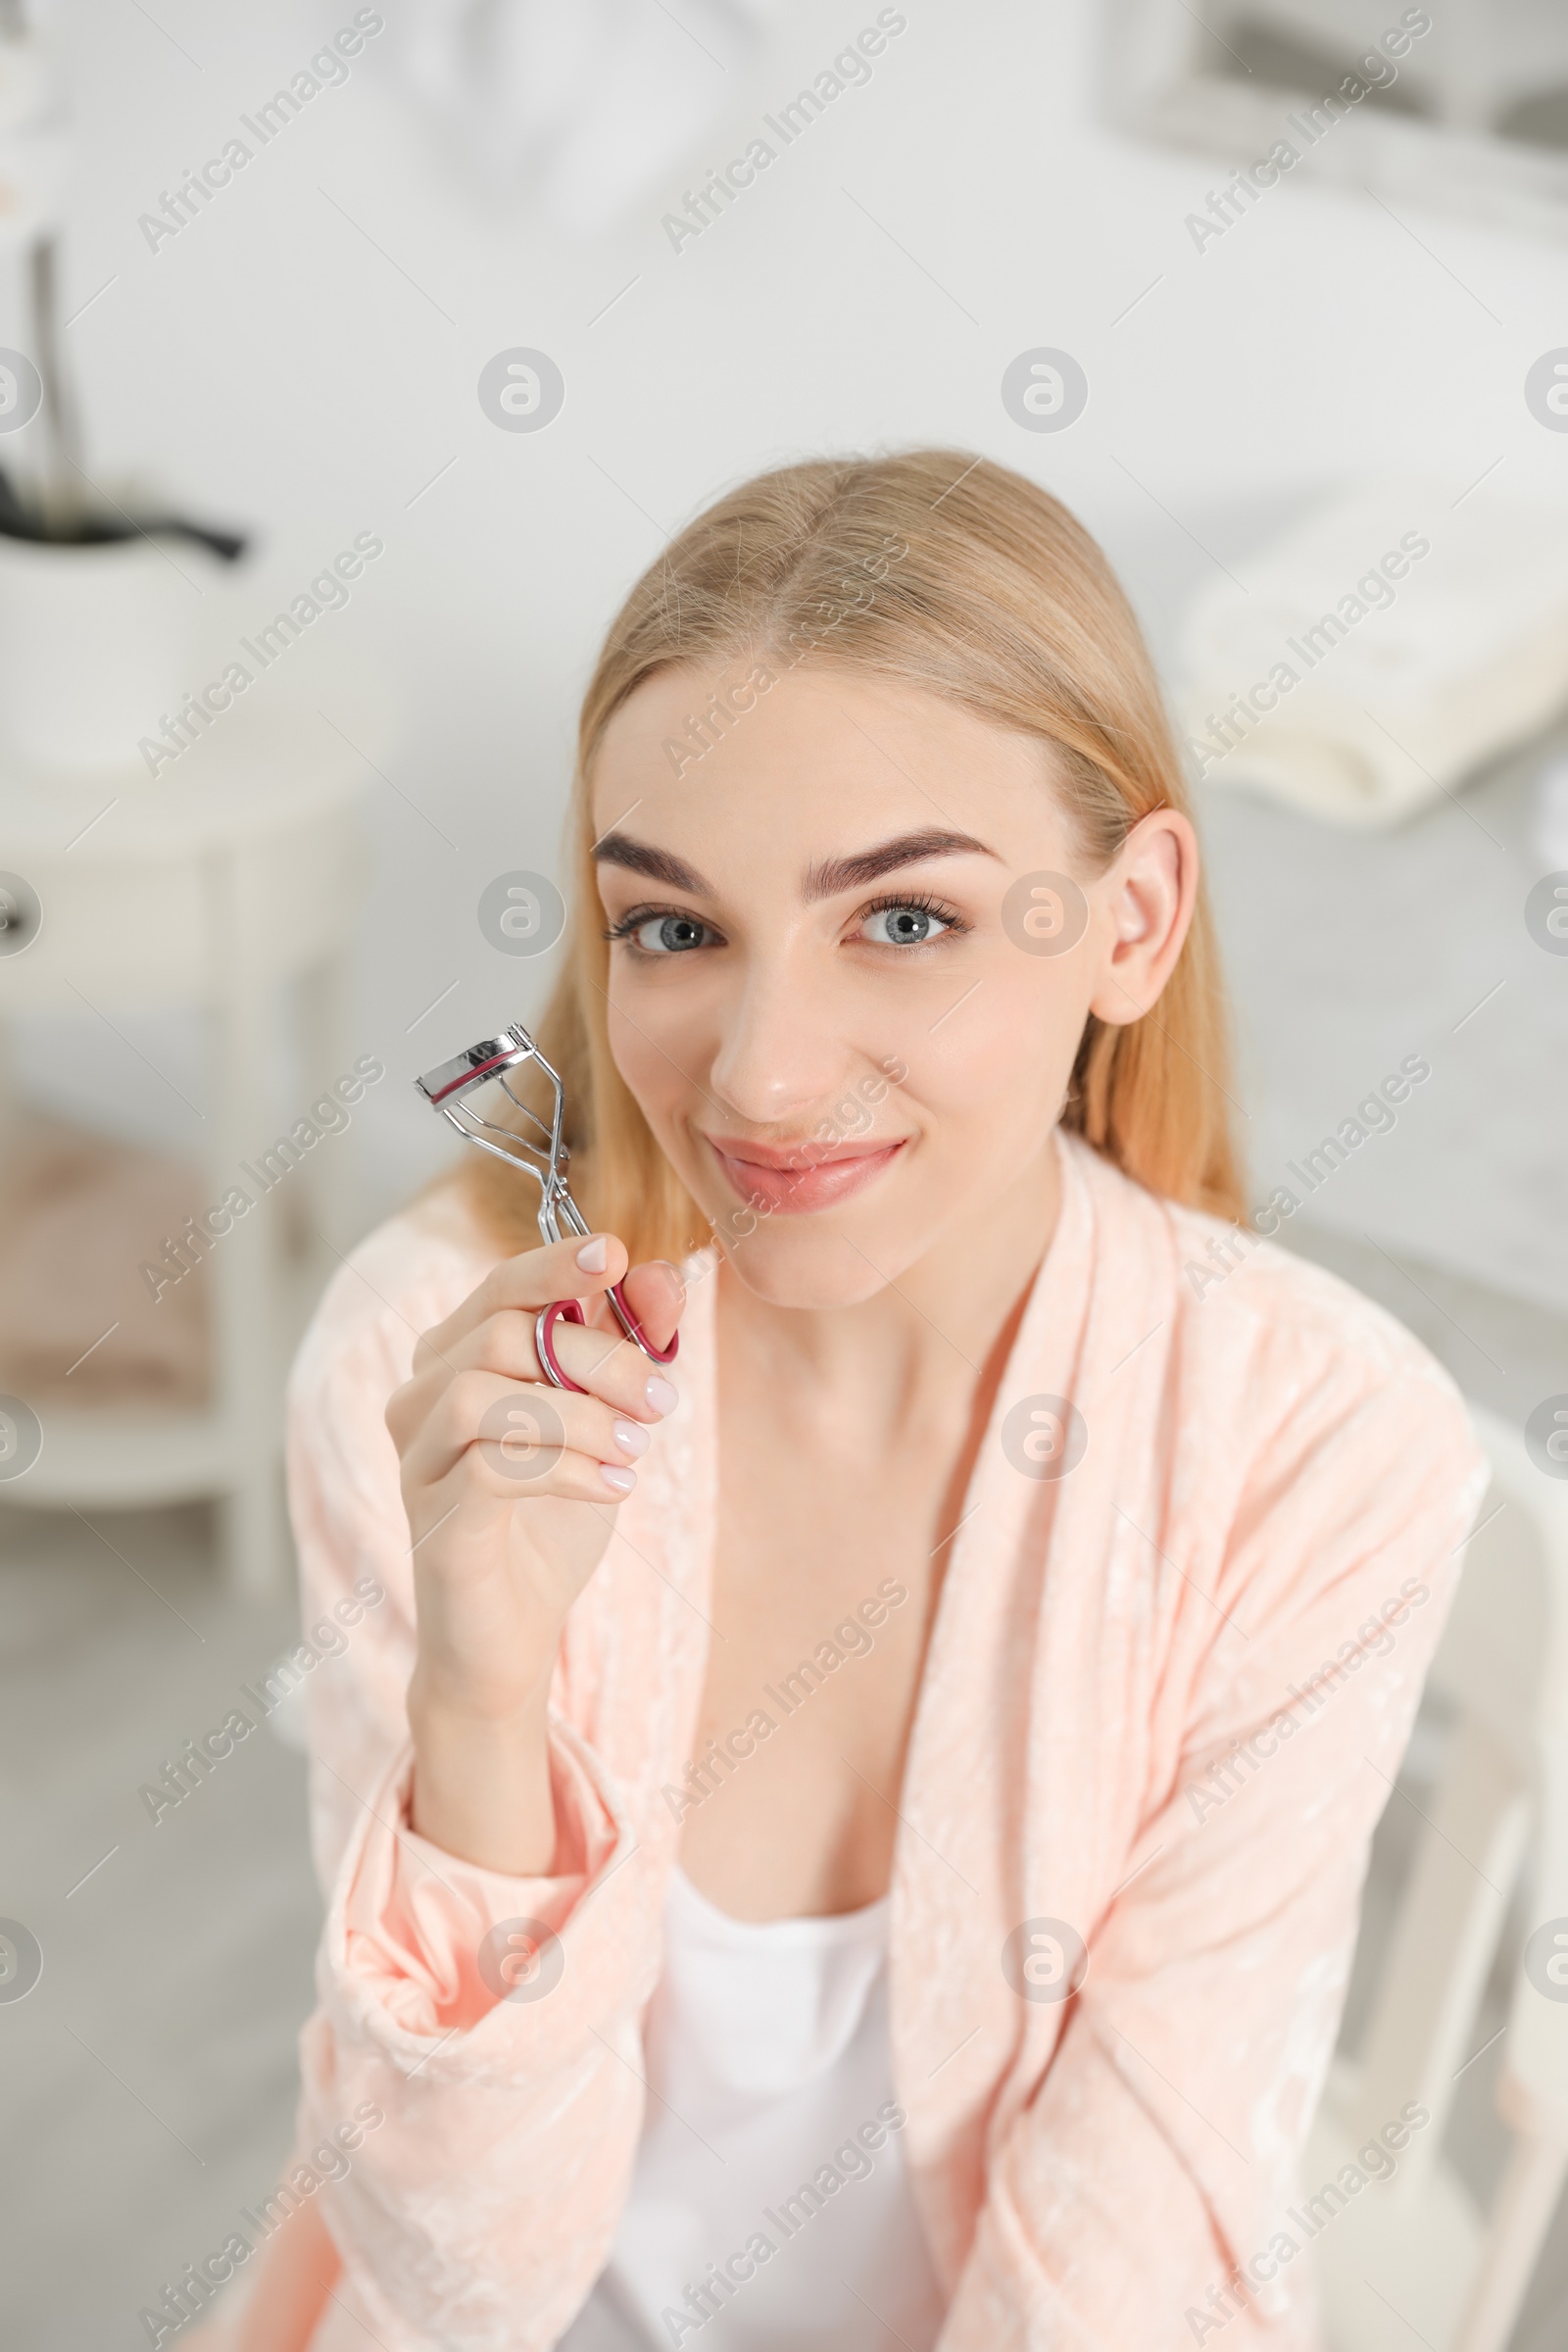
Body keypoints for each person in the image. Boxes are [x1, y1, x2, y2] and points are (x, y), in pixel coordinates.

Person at [204, 450, 1484, 2351]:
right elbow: (454, 2280)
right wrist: (479, 1702)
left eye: (902, 921)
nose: (762, 1079)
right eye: (675, 927)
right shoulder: (434, 1364)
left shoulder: (1313, 1447)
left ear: (1125, 922)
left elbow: (1113, 2259)